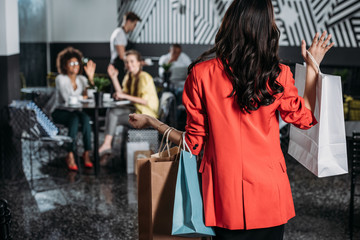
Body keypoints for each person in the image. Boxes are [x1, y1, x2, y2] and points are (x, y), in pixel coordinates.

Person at [128, 0, 334, 239]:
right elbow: (306, 117)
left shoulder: (200, 74)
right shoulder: (278, 74)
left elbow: (192, 145)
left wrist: (152, 121)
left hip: (222, 199)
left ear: (229, 24)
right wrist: (312, 66)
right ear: (267, 28)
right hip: (270, 196)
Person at [98, 50, 159, 157]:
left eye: (132, 61)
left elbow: (144, 101)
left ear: (139, 62)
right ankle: (107, 146)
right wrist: (114, 78)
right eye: (127, 62)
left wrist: (123, 96)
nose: (129, 64)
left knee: (113, 115)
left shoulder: (144, 77)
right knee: (112, 112)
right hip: (135, 110)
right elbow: (122, 94)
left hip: (146, 115)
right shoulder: (129, 76)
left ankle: (107, 146)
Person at [52, 47, 96, 171]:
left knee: (86, 119)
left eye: (77, 63)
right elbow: (67, 99)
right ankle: (70, 154)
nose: (75, 66)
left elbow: (91, 96)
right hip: (60, 111)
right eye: (71, 63)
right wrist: (83, 97)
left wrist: (91, 79)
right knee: (75, 119)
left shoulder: (82, 79)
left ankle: (86, 152)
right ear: (65, 65)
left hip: (76, 112)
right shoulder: (61, 79)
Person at [110, 12, 141, 83]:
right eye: (134, 24)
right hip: (118, 68)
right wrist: (134, 62)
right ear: (129, 21)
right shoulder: (119, 33)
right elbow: (122, 56)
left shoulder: (125, 34)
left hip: (122, 67)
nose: (135, 27)